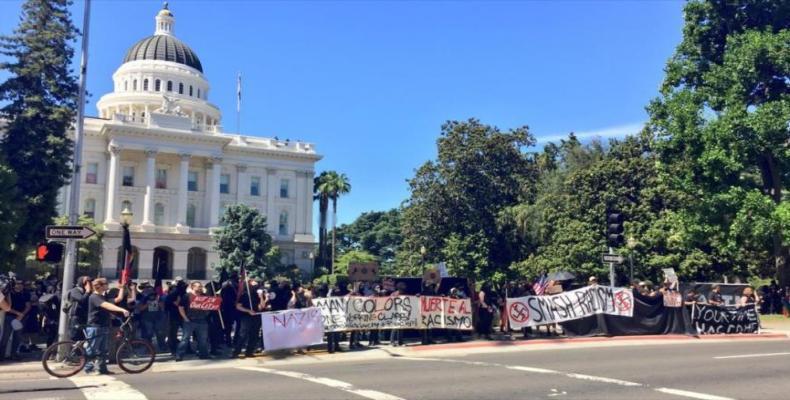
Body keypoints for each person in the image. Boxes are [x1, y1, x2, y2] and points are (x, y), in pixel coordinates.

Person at [84, 278, 130, 375]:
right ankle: (88, 369)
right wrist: (121, 310)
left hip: (104, 326)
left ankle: (102, 369)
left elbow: (117, 299)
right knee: (91, 349)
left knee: (103, 350)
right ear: (99, 286)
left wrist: (121, 288)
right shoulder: (94, 297)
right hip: (95, 326)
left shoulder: (103, 296)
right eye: (105, 283)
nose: (107, 285)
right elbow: (106, 305)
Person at [176, 281, 210, 361]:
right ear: (192, 287)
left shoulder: (204, 296)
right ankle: (179, 355)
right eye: (197, 286)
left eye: (200, 286)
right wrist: (185, 318)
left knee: (203, 339)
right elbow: (180, 308)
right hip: (189, 320)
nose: (199, 288)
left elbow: (209, 306)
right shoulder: (186, 296)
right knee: (185, 339)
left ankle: (204, 354)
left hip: (202, 320)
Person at [232, 279, 265, 358]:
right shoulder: (245, 295)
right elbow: (238, 306)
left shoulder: (259, 295)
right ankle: (236, 352)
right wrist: (248, 311)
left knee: (254, 335)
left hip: (256, 316)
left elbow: (262, 307)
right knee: (243, 335)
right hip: (246, 317)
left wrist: (261, 297)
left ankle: (249, 352)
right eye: (254, 284)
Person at [0, 280, 31, 361]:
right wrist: (18, 314)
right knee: (5, 337)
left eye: (21, 283)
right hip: (10, 317)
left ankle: (14, 355)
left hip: (21, 318)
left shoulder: (26, 293)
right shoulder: (9, 293)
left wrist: (22, 315)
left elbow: (28, 306)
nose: (20, 285)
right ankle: (1, 356)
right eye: (17, 283)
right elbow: (7, 307)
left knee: (17, 338)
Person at [67, 276, 92, 341]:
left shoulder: (87, 292)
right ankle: (74, 350)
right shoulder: (75, 291)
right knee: (76, 336)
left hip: (85, 316)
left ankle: (80, 350)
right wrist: (87, 291)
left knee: (84, 337)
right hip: (76, 316)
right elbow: (81, 300)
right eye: (87, 282)